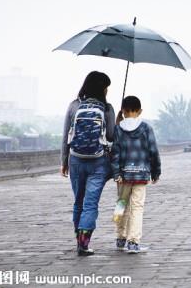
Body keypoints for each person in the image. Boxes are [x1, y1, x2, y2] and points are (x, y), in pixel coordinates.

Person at [61, 71, 116, 256]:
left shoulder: (74, 105)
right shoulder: (107, 108)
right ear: (102, 88)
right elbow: (110, 136)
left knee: (78, 202)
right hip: (98, 162)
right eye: (106, 87)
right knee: (90, 204)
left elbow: (65, 137)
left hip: (75, 159)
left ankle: (79, 240)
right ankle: (84, 244)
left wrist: (64, 161)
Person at [110, 95, 161, 254]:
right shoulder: (146, 128)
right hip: (140, 175)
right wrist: (155, 171)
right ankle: (133, 242)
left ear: (123, 111)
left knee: (121, 205)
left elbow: (115, 153)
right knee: (137, 208)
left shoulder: (118, 129)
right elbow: (153, 151)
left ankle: (120, 237)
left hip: (123, 176)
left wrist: (116, 172)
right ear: (140, 111)